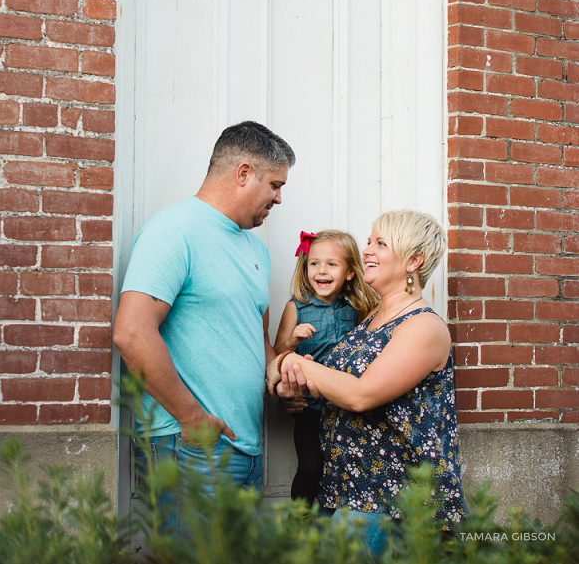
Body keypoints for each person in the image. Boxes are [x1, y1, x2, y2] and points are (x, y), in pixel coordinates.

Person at [113, 121, 295, 500]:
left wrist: (281, 376)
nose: (278, 199)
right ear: (244, 173)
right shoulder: (173, 231)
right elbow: (131, 332)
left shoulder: (256, 249)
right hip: (190, 448)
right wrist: (193, 419)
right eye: (275, 185)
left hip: (246, 449)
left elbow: (254, 340)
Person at [268, 210, 467, 555]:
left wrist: (287, 360)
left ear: (414, 261)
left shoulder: (424, 326)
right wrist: (296, 386)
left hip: (389, 500)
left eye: (381, 243)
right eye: (369, 241)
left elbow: (361, 394)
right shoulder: (372, 315)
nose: (368, 250)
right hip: (344, 487)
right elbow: (338, 382)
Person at [270, 229, 377, 506]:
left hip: (345, 405)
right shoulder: (297, 307)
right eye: (314, 263)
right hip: (310, 408)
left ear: (350, 272)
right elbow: (278, 351)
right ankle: (298, 520)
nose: (321, 271)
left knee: (346, 467)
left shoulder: (358, 307)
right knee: (310, 466)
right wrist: (293, 339)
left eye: (332, 264)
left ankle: (335, 523)